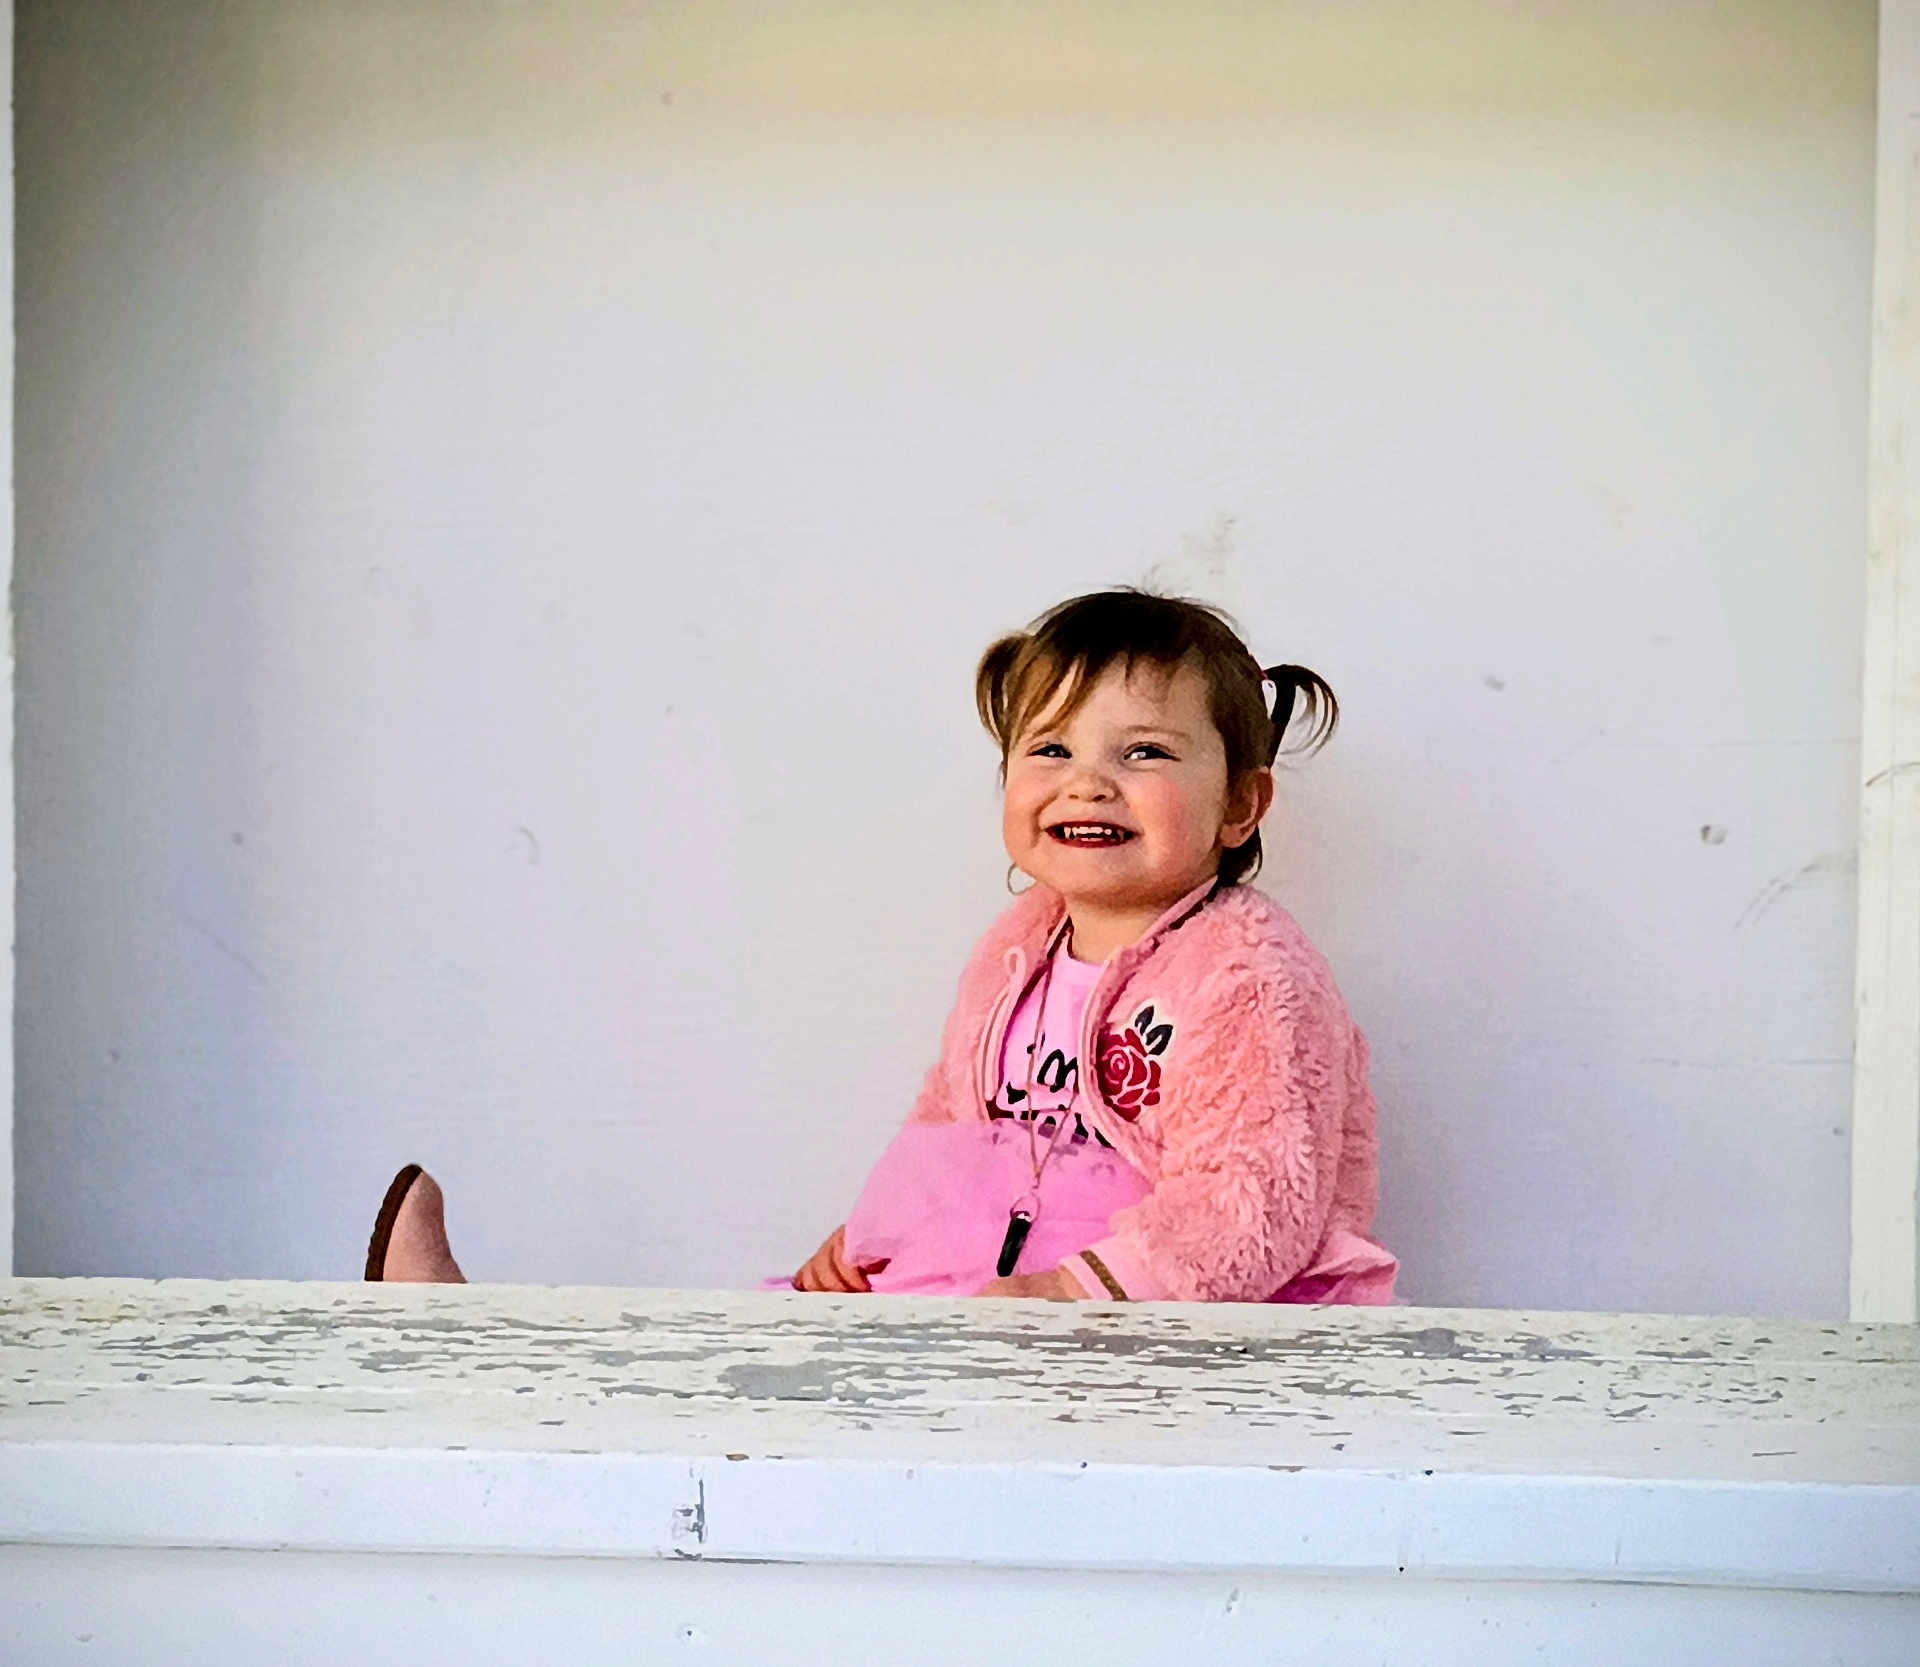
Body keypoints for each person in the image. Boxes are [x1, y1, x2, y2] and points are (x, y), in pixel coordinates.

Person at [366, 590, 1395, 1303]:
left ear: (1239, 805)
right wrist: (871, 1241)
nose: (1088, 781)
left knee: (797, 1399)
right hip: (983, 1287)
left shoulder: (1246, 972)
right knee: (762, 1342)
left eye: (1144, 753)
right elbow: (949, 1117)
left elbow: (1255, 1196)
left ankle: (492, 1362)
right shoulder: (1017, 948)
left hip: (1148, 1332)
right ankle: (486, 1342)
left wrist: (1075, 1298)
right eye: (1050, 748)